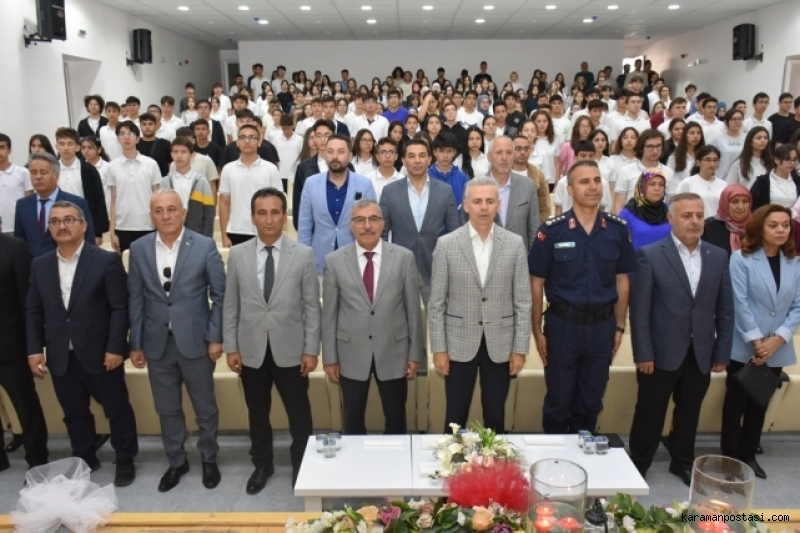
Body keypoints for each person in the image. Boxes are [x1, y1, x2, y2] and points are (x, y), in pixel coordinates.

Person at [26, 200, 138, 486]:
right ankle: (85, 457)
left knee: (117, 409)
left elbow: (120, 308)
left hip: (101, 353)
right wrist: (34, 350)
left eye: (69, 220)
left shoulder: (105, 260)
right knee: (74, 413)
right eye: (55, 221)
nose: (62, 226)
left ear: (84, 225)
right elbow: (34, 311)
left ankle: (125, 458)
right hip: (61, 354)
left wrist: (115, 347)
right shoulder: (40, 265)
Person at [628, 192, 733, 485]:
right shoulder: (650, 254)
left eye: (699, 215)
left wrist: (722, 353)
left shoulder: (718, 256)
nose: (694, 221)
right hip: (660, 354)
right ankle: (639, 463)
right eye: (687, 216)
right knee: (650, 413)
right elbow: (640, 311)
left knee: (689, 413)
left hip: (700, 353)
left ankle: (682, 462)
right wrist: (643, 353)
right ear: (671, 218)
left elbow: (726, 310)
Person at [529, 161, 637, 434]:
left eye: (597, 180)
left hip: (602, 328)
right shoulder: (552, 231)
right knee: (558, 401)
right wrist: (537, 331)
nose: (593, 187)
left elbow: (622, 281)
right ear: (570, 189)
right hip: (563, 326)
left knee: (590, 402)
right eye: (584, 181)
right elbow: (536, 283)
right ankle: (555, 455)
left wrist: (619, 327)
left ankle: (583, 453)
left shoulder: (617, 229)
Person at [127, 189, 225, 492]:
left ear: (183, 213)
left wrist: (215, 337)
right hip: (157, 344)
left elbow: (220, 297)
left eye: (171, 209)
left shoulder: (204, 245)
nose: (166, 216)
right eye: (159, 210)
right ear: (151, 215)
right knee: (166, 408)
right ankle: (177, 462)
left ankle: (208, 459)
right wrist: (135, 343)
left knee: (205, 408)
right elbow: (136, 299)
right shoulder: (139, 248)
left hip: (196, 342)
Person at [224, 187, 319, 490]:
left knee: (299, 414)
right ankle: (262, 464)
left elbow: (311, 307)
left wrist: (311, 349)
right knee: (257, 413)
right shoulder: (238, 254)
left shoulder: (302, 254)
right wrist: (231, 347)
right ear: (252, 217)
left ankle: (302, 465)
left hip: (291, 350)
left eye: (275, 212)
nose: (268, 219)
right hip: (250, 350)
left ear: (284, 216)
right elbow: (231, 304)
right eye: (262, 213)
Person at [429, 177, 530, 433]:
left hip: (501, 343)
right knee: (455, 416)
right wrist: (439, 349)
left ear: (498, 204)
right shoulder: (447, 244)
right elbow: (436, 303)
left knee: (495, 415)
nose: (483, 207)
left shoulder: (515, 244)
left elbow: (522, 301)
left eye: (489, 201)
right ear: (466, 205)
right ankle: (452, 457)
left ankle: (495, 460)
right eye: (477, 201)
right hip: (458, 343)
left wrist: (520, 348)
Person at [322, 198, 422, 435]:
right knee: (352, 419)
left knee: (396, 417)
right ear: (351, 225)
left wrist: (414, 354)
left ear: (383, 223)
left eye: (373, 219)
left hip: (394, 352)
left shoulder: (404, 258)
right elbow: (329, 315)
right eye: (360, 220)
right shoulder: (334, 261)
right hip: (350, 354)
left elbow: (413, 311)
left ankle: (396, 456)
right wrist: (330, 358)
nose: (367, 226)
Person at [723, 204, 800, 479]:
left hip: (777, 347)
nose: (781, 230)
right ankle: (728, 458)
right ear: (759, 227)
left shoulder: (794, 262)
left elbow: (798, 306)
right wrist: (757, 341)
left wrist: (778, 339)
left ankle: (748, 456)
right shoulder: (741, 259)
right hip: (746, 345)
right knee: (735, 405)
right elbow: (739, 302)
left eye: (785, 225)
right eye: (773, 225)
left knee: (759, 404)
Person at [379, 139, 460, 304]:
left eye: (422, 155)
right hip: (398, 271)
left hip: (435, 269)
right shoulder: (389, 192)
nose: (417, 160)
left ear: (429, 159)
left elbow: (455, 233)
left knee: (434, 319)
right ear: (403, 160)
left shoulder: (445, 191)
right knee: (401, 319)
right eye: (411, 156)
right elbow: (382, 233)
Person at [0, 232, 49, 471]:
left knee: (25, 406)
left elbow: (29, 303)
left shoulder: (15, 249)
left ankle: (37, 460)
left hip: (11, 346)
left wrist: (33, 347)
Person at [298, 134, 377, 276]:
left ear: (350, 156)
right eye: (330, 151)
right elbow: (304, 227)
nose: (335, 156)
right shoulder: (311, 184)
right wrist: (305, 263)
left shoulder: (365, 184)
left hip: (356, 263)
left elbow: (373, 226)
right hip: (319, 262)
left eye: (340, 152)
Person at [14, 153, 95, 257]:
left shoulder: (77, 203)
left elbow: (89, 241)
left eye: (43, 172)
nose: (38, 177)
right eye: (33, 172)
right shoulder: (22, 205)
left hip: (67, 262)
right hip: (32, 264)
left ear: (56, 175)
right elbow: (19, 244)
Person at [468, 136, 540, 249]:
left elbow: (534, 229)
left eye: (509, 152)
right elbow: (468, 230)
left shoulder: (528, 186)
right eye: (499, 152)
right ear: (489, 157)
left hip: (519, 256)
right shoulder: (474, 187)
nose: (504, 158)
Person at [219, 124, 282, 247]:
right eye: (243, 137)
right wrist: (224, 235)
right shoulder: (228, 169)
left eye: (252, 137)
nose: (247, 141)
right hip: (235, 230)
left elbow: (278, 203)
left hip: (263, 229)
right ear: (237, 142)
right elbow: (224, 203)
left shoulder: (271, 169)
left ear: (259, 142)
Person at [108, 121, 161, 252]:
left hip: (147, 225)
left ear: (137, 139)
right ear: (118, 139)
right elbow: (113, 200)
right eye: (122, 134)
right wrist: (112, 230)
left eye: (130, 134)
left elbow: (157, 198)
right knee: (125, 262)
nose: (126, 137)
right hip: (123, 226)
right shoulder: (112, 166)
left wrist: (158, 225)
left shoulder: (151, 164)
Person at [54, 128, 109, 244]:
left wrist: (98, 232)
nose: (66, 148)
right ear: (56, 146)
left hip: (84, 223)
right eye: (62, 144)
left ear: (77, 147)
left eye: (70, 144)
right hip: (58, 224)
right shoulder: (52, 170)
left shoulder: (89, 170)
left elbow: (99, 201)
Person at [160, 138, 215, 237]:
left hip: (196, 233)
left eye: (183, 152)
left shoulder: (201, 181)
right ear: (171, 154)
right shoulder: (165, 182)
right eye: (175, 152)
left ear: (191, 155)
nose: (179, 156)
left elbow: (209, 213)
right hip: (171, 233)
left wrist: (207, 237)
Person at [614, 129, 675, 212]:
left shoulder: (668, 172)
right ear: (641, 147)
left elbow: (670, 204)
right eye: (650, 146)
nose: (655, 151)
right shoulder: (626, 171)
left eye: (658, 146)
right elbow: (618, 204)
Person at [618, 169, 672, 249]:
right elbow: (619, 243)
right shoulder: (628, 212)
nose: (657, 188)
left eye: (661, 185)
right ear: (642, 186)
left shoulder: (670, 210)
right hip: (637, 257)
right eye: (652, 184)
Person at [677, 145, 728, 218]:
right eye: (707, 160)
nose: (712, 164)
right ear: (698, 162)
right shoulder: (688, 183)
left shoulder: (723, 184)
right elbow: (678, 206)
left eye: (715, 160)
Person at [702, 184, 752, 257]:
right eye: (734, 202)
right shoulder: (709, 227)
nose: (741, 207)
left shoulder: (755, 226)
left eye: (745, 201)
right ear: (724, 203)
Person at [511, 134, 550, 220]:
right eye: (518, 149)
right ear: (510, 150)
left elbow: (543, 207)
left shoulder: (538, 175)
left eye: (526, 149)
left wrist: (539, 223)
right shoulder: (503, 173)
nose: (523, 152)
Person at [750, 144, 800, 211]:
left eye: (794, 160)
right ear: (776, 160)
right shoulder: (762, 182)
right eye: (787, 159)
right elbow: (755, 207)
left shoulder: (797, 181)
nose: (791, 163)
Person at [428, 133, 470, 213]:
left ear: (454, 152)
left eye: (449, 151)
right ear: (434, 152)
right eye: (441, 151)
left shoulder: (463, 178)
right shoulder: (426, 177)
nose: (445, 155)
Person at [0, 134, 33, 234]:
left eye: (2, 147)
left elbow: (30, 201)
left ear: (9, 150)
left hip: (17, 227)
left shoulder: (23, 172)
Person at [710, 109, 747, 177]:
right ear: (726, 121)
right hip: (722, 177)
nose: (737, 121)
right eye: (734, 119)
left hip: (742, 177)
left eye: (740, 119)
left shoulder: (747, 138)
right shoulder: (717, 139)